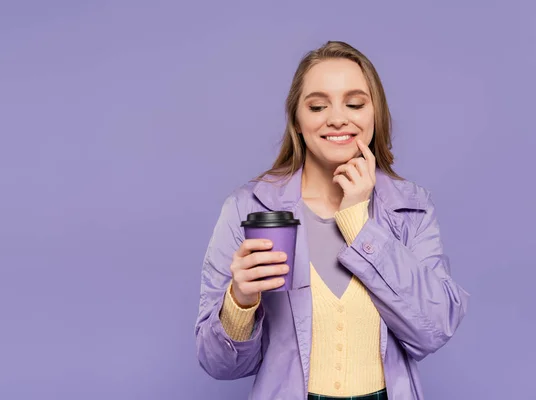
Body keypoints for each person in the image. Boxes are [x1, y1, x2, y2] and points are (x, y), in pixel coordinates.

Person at [194, 41, 469, 400]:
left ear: (376, 114)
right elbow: (218, 365)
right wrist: (241, 300)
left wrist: (357, 218)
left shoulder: (411, 208)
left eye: (354, 104)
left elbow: (434, 330)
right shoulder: (247, 208)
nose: (337, 118)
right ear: (297, 119)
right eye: (318, 106)